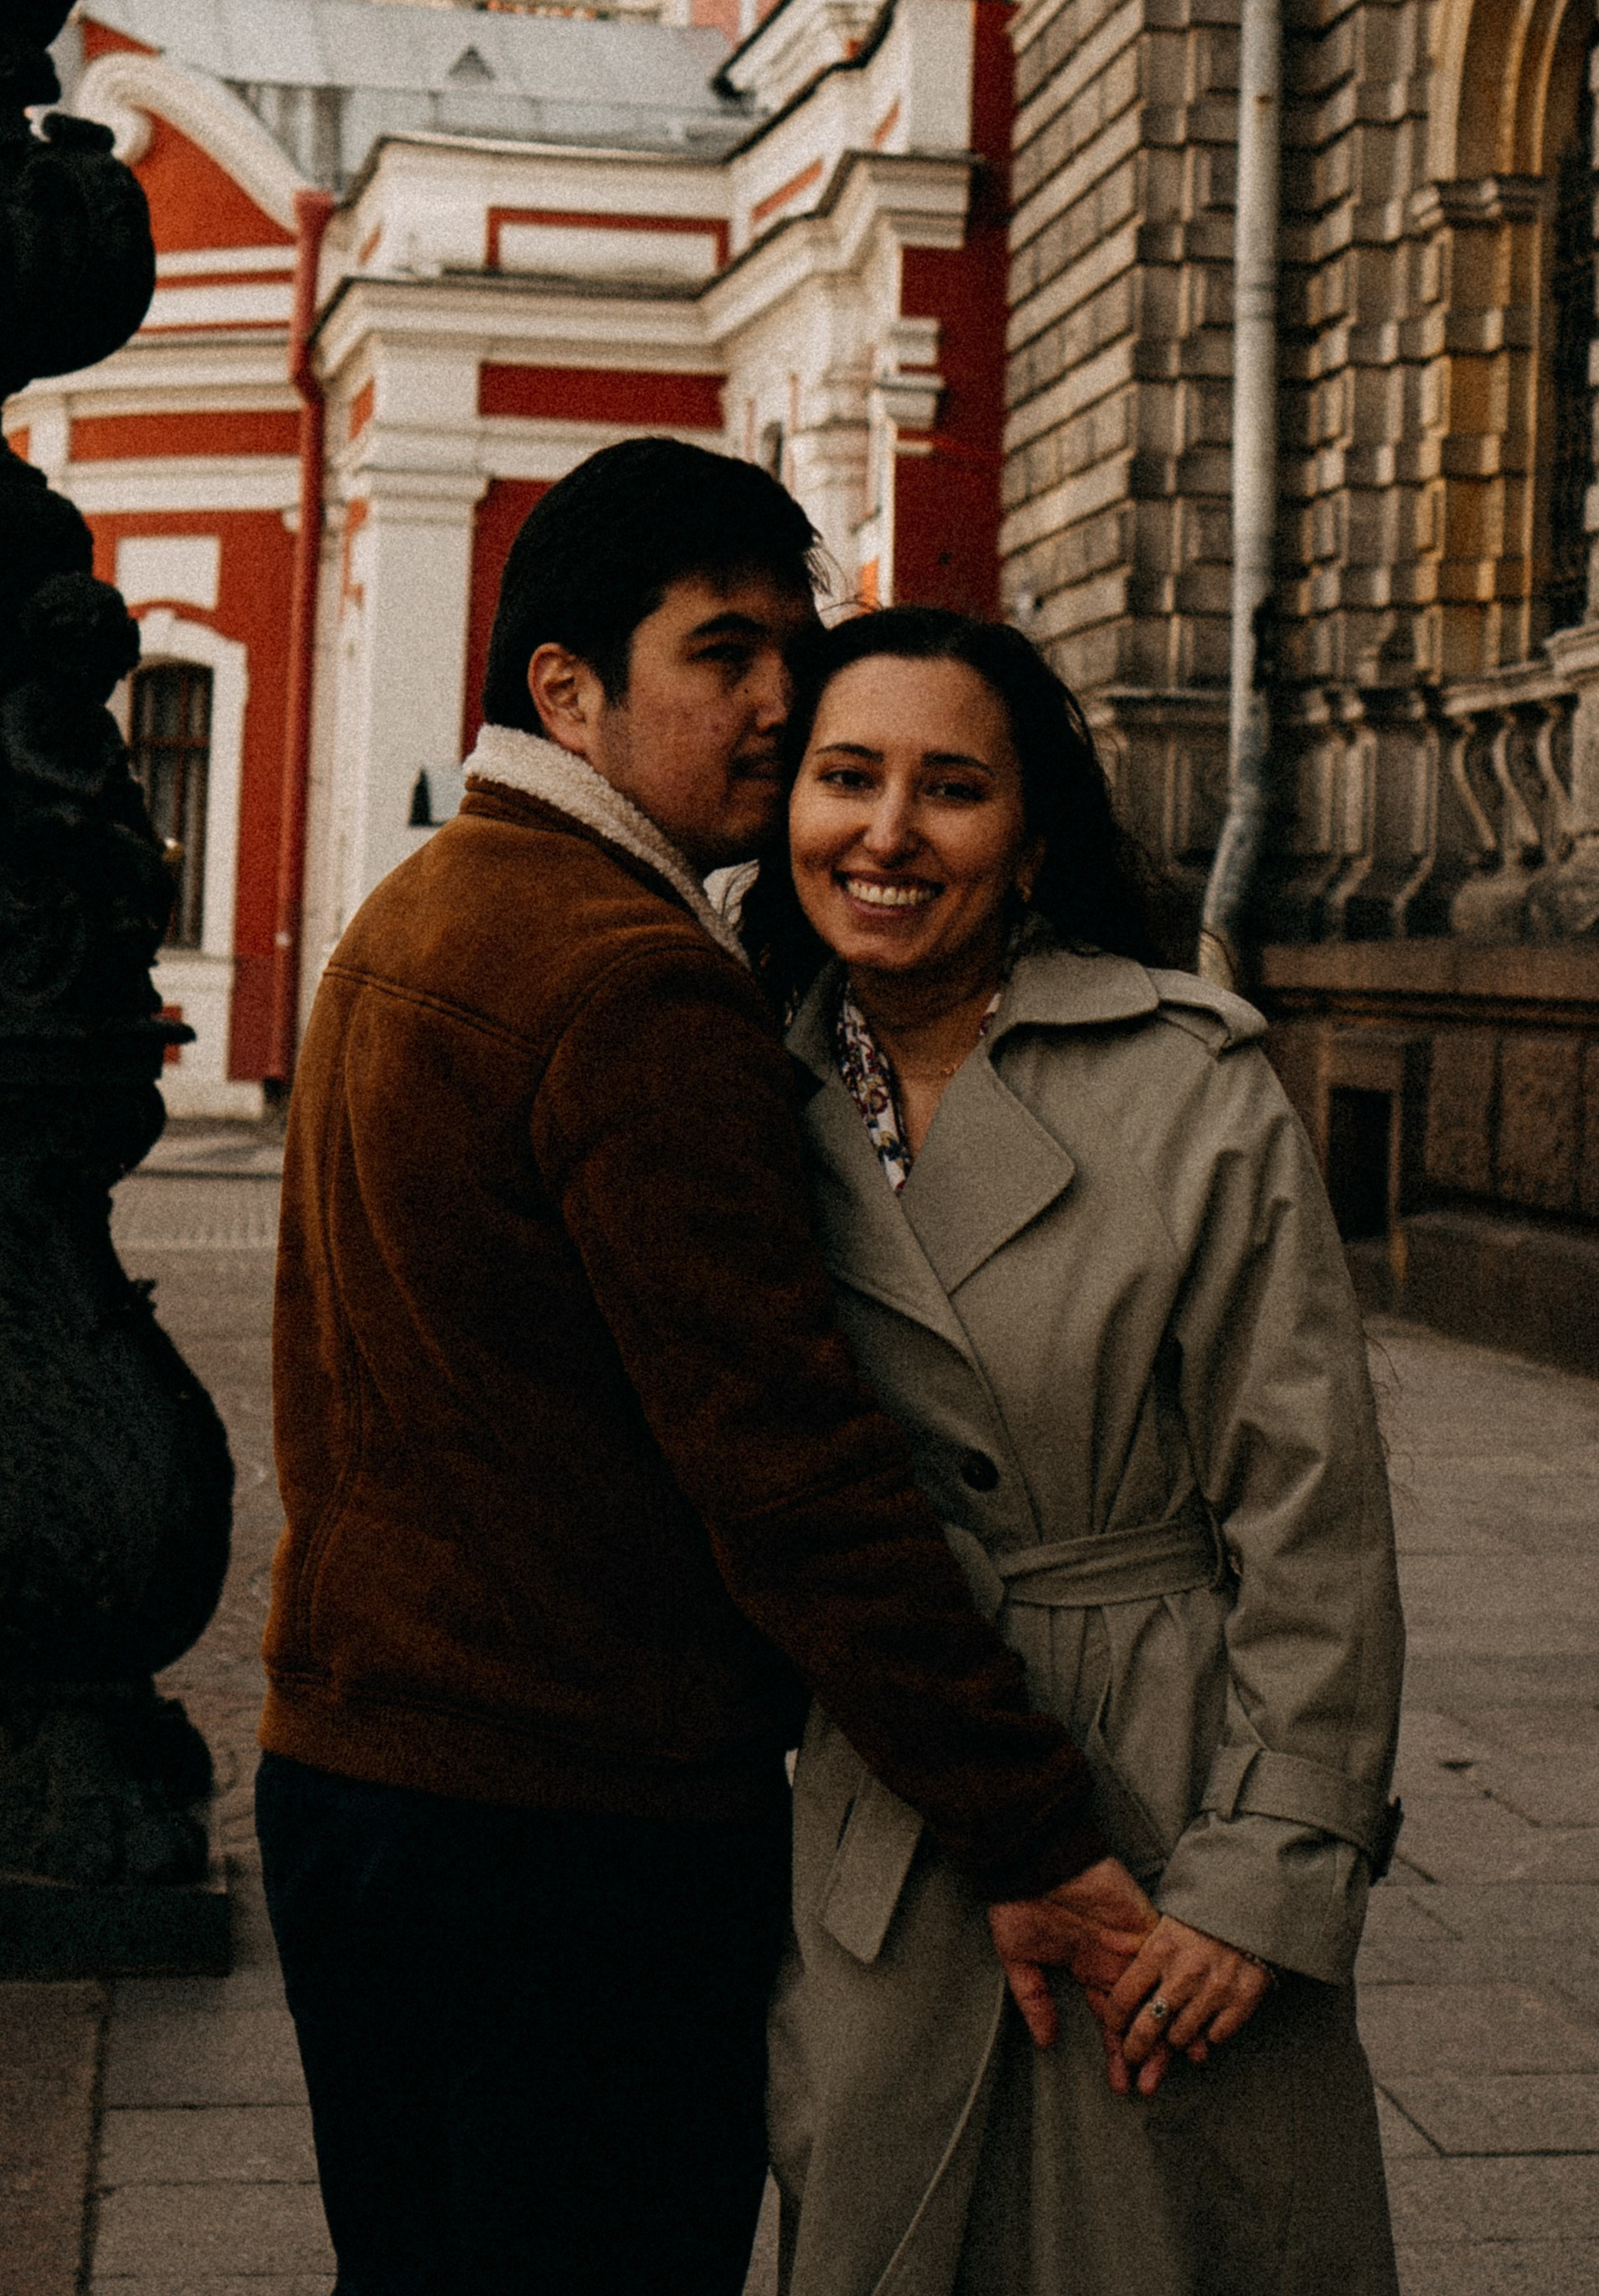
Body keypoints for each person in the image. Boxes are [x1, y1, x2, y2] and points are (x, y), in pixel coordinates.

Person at [255, 444, 1152, 2296]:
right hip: (565, 1832)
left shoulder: (416, 914)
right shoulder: (628, 984)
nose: (778, 702)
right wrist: (1027, 1820)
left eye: (789, 649)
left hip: (358, 1777)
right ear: (565, 689)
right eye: (722, 655)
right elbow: (789, 1469)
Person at [745, 607, 1406, 2296]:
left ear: (1028, 839)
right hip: (895, 1811)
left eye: (948, 787)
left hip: (1167, 1797)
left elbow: (1307, 1503)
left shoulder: (1187, 1082)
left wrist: (1269, 1869)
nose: (887, 831)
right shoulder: (726, 1091)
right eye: (845, 778)